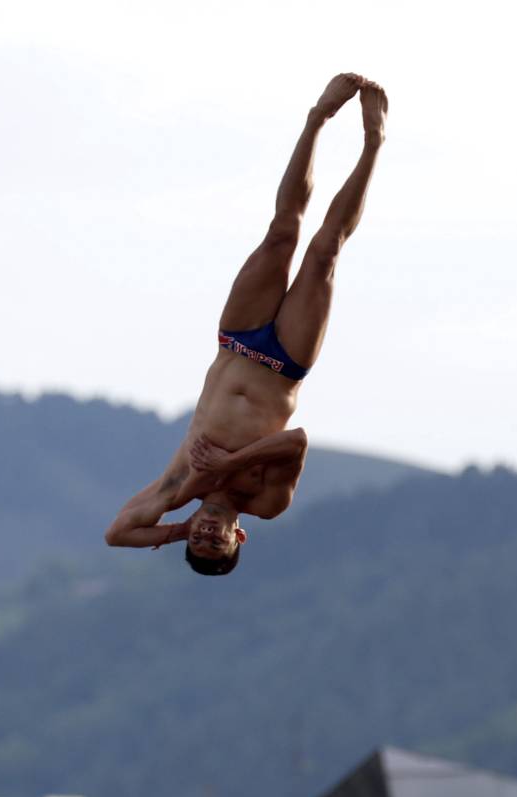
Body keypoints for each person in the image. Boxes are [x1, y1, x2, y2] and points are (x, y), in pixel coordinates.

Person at [105, 73, 387, 575]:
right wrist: (228, 467)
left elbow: (117, 533)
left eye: (200, 542)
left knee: (282, 232)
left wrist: (174, 528)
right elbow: (295, 441)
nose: (208, 536)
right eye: (220, 544)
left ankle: (316, 120)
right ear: (241, 536)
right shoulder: (267, 502)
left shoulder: (177, 488)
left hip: (237, 342)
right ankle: (373, 143)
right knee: (324, 252)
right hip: (284, 363)